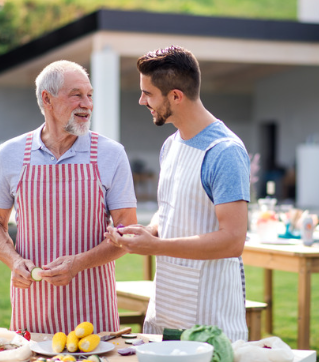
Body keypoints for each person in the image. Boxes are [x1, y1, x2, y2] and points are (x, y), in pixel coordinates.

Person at [106, 46, 250, 342]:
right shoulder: (170, 146)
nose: (141, 100)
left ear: (175, 96)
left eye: (148, 93)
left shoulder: (224, 152)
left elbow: (233, 240)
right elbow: (172, 207)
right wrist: (148, 231)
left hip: (209, 316)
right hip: (166, 306)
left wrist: (155, 246)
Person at [0, 60, 137, 334]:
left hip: (94, 314)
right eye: (76, 94)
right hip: (31, 311)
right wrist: (14, 262)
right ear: (47, 99)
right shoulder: (10, 153)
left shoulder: (111, 154)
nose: (87, 104)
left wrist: (79, 263)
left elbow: (128, 232)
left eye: (90, 95)